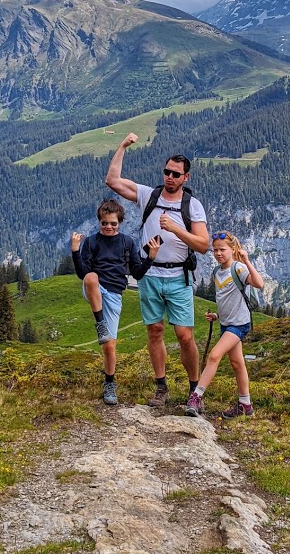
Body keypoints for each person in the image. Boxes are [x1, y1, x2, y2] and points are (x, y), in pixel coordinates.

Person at [106, 133, 209, 407]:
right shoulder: (148, 195)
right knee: (154, 330)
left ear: (186, 177)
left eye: (176, 174)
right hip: (149, 274)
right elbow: (112, 181)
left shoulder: (191, 206)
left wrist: (176, 228)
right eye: (166, 172)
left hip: (178, 276)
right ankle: (161, 387)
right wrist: (122, 146)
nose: (169, 177)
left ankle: (194, 390)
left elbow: (203, 245)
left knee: (185, 335)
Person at [71, 198, 160, 405]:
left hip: (114, 294)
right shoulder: (91, 242)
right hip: (94, 288)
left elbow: (137, 273)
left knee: (109, 347)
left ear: (119, 222)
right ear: (99, 221)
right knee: (91, 277)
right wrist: (75, 250)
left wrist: (150, 257)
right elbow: (82, 273)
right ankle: (100, 324)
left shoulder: (127, 242)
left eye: (113, 223)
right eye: (104, 223)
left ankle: (109, 383)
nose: (109, 227)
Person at [185, 230, 264, 419]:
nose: (218, 253)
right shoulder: (217, 272)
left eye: (222, 249)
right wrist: (217, 315)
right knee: (237, 363)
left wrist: (247, 261)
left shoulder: (239, 269)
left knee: (214, 355)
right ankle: (245, 405)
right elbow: (226, 301)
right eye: (215, 250)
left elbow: (259, 283)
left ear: (233, 249)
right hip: (226, 323)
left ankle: (196, 397)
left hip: (239, 324)